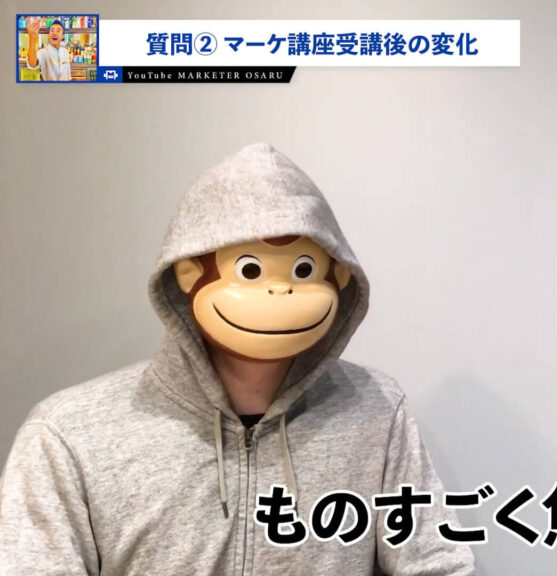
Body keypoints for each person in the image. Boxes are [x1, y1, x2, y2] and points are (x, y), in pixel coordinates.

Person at [0, 143, 475, 575]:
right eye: (249, 269)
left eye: (303, 269)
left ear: (339, 277)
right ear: (188, 273)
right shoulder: (69, 433)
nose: (279, 289)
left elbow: (435, 561)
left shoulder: (376, 409)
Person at [25, 17, 71, 81]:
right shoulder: (42, 53)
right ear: (49, 35)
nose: (54, 33)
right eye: (52, 30)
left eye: (58, 31)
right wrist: (32, 38)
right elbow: (32, 64)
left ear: (62, 36)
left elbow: (68, 74)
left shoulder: (65, 52)